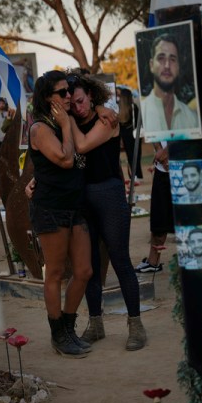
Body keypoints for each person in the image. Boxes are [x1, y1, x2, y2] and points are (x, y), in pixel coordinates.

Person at [64, 73, 146, 351]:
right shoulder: (75, 120)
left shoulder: (105, 120)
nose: (78, 107)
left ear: (91, 95)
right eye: (72, 104)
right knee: (89, 266)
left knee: (121, 260)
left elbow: (84, 145)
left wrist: (69, 119)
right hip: (83, 199)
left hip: (109, 195)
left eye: (81, 100)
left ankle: (136, 325)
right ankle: (95, 324)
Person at [28, 70, 93, 358]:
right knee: (54, 272)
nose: (68, 96)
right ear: (47, 98)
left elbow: (99, 99)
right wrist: (66, 125)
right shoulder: (40, 128)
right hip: (50, 208)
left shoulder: (69, 119)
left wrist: (100, 110)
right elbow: (66, 159)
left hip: (74, 206)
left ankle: (68, 326)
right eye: (62, 93)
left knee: (84, 271)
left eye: (69, 91)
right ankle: (58, 334)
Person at [140, 34, 198, 132]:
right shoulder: (141, 114)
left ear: (178, 67)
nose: (167, 65)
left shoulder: (192, 118)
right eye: (161, 58)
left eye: (172, 59)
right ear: (151, 65)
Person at [134, 140, 173, 274]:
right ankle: (153, 260)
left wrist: (167, 151)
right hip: (162, 166)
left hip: (182, 163)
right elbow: (153, 128)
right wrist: (159, 150)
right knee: (159, 214)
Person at [117, 87, 143, 182]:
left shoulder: (119, 108)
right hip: (134, 134)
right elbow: (138, 122)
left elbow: (119, 124)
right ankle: (137, 175)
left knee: (130, 155)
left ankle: (134, 175)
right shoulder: (133, 107)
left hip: (125, 134)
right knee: (136, 154)